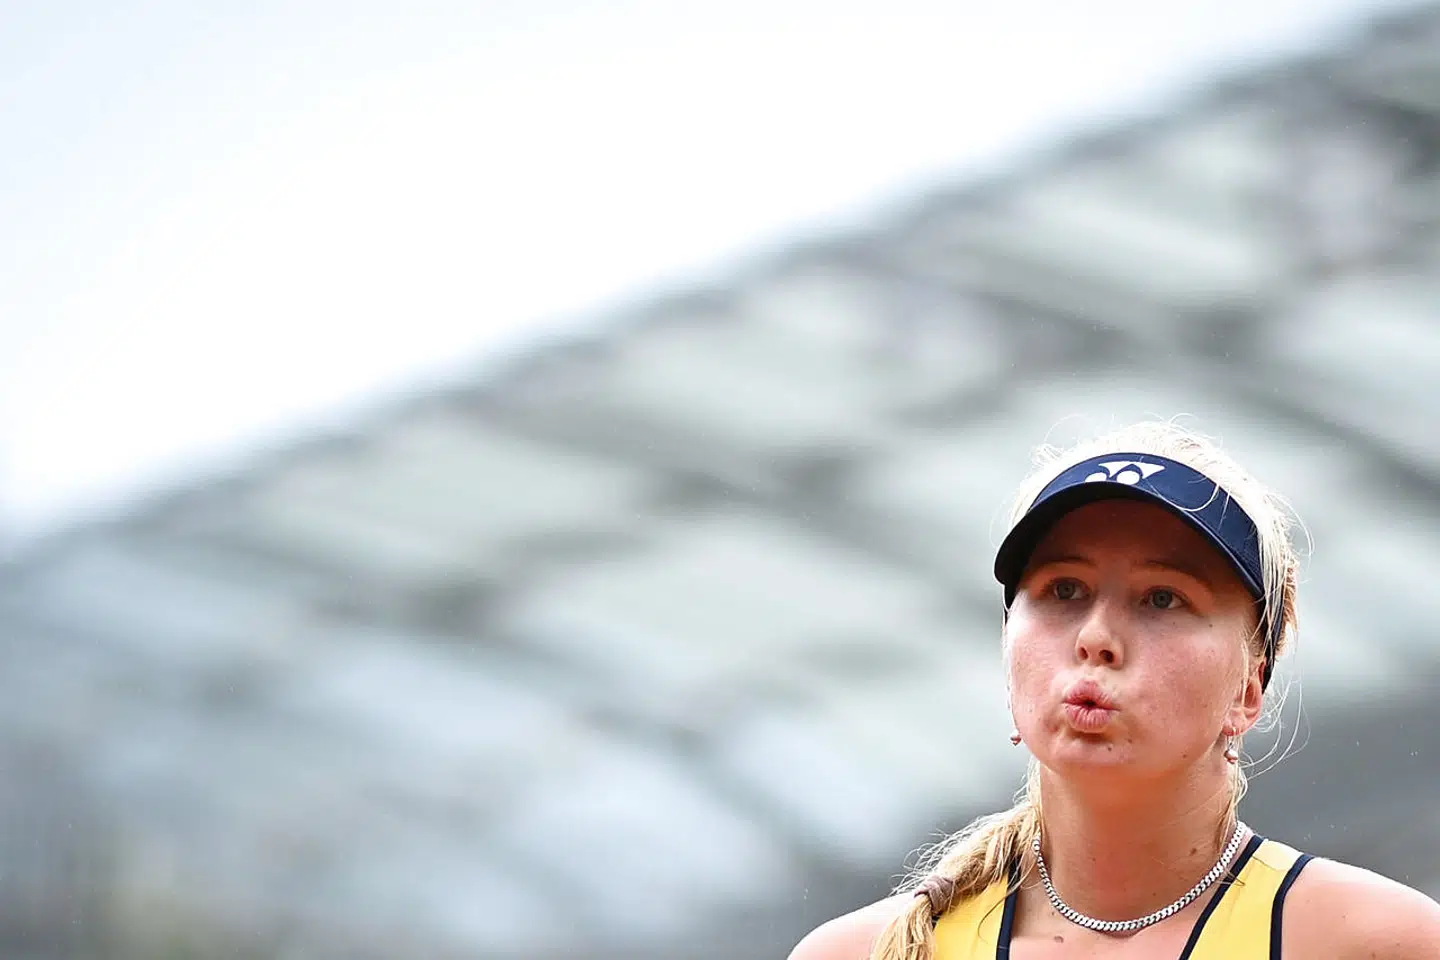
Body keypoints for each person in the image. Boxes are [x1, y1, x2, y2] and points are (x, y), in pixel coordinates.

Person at [789, 422, 1440, 959]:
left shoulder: (1378, 943)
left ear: (1248, 688)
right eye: (1063, 590)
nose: (1097, 637)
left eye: (1164, 598)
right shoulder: (861, 952)